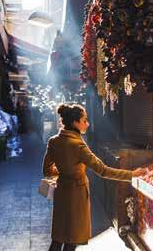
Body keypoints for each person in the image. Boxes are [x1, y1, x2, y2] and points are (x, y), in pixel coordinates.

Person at [43, 103, 146, 251]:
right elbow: (103, 171)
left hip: (61, 192)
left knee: (58, 238)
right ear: (75, 123)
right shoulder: (78, 146)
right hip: (76, 195)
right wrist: (131, 174)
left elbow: (47, 170)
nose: (88, 123)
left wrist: (65, 174)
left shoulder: (54, 141)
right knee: (71, 240)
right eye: (84, 120)